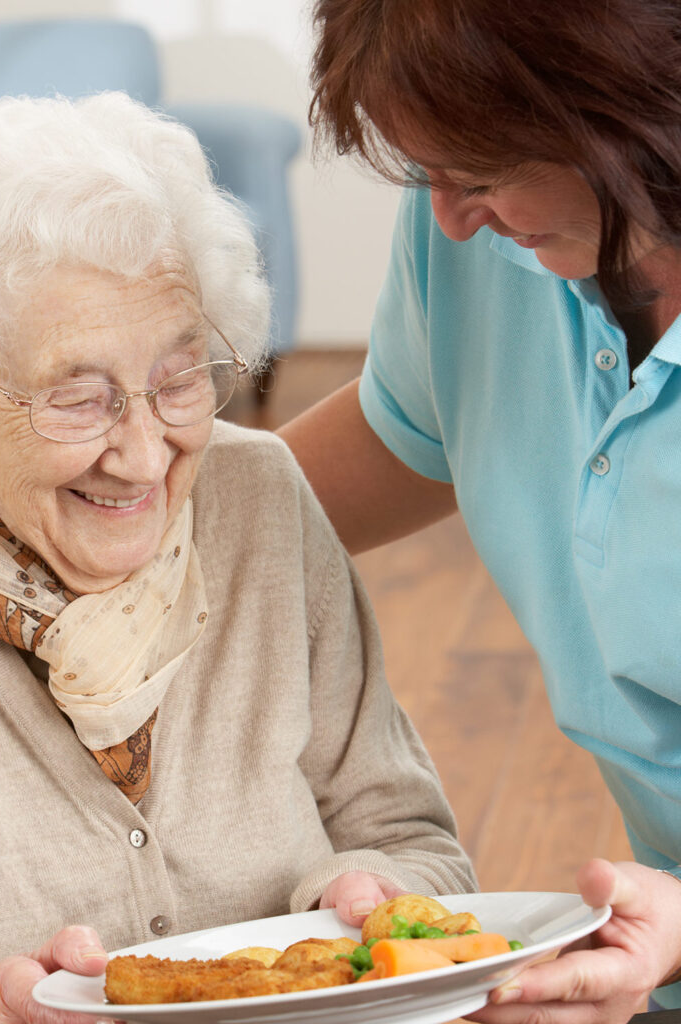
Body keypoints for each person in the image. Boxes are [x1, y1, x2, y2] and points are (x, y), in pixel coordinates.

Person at [0, 92, 475, 1024]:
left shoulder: (264, 497)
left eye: (177, 379)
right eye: (79, 399)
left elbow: (414, 841)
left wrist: (374, 897)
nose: (145, 454)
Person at [279, 0, 681, 1019]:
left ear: (631, 106)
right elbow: (412, 435)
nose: (449, 216)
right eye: (427, 170)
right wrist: (133, 516)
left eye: (483, 170)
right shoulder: (479, 237)